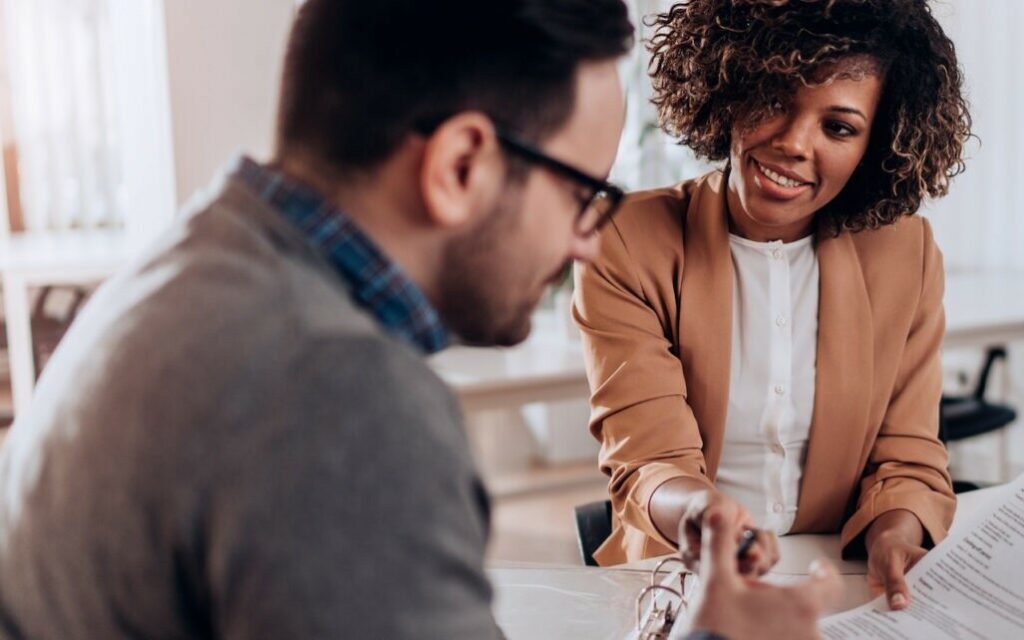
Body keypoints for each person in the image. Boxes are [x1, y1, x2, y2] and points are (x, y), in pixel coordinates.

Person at [0, 1, 841, 638]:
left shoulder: (191, 260)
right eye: (584, 196)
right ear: (460, 165)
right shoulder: (336, 397)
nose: (588, 242)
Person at [574, 0, 971, 612]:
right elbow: (647, 462)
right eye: (775, 99)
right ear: (729, 88)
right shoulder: (626, 240)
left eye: (838, 127)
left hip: (841, 582)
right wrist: (709, 518)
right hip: (682, 575)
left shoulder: (904, 253)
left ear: (877, 143)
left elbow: (908, 454)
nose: (792, 143)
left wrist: (898, 529)